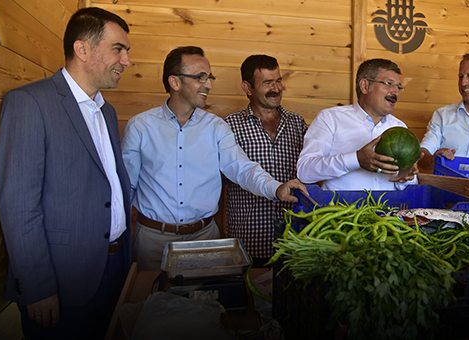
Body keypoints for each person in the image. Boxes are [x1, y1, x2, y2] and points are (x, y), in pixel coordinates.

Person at [0, 8, 133, 340]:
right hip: (61, 279)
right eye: (118, 48)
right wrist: (37, 286)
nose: (127, 61)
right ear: (82, 49)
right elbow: (18, 205)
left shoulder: (107, 111)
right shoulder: (30, 103)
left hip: (116, 268)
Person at [121, 46, 307, 271]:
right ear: (175, 82)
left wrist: (276, 188)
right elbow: (125, 188)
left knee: (206, 303)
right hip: (152, 240)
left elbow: (241, 167)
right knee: (149, 301)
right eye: (201, 77)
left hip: (205, 238)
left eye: (209, 77)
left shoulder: (216, 127)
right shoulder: (140, 127)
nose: (208, 84)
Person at [223, 55, 307, 265]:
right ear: (247, 87)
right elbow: (218, 184)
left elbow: (312, 171)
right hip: (249, 240)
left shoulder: (297, 123)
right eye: (268, 82)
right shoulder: (229, 126)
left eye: (278, 80)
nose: (276, 88)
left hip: (294, 239)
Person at [296, 58, 418, 191]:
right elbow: (305, 171)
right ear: (365, 86)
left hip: (389, 210)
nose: (396, 92)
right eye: (389, 83)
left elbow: (408, 186)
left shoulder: (400, 127)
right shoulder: (330, 119)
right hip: (341, 210)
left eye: (399, 87)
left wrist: (404, 178)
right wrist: (356, 160)